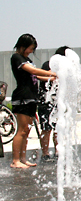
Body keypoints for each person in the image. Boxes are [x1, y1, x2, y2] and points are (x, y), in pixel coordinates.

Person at [10, 34, 56, 168]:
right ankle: (15, 160)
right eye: (30, 48)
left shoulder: (26, 58)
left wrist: (51, 79)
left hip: (31, 97)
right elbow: (33, 70)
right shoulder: (16, 58)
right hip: (22, 97)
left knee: (27, 130)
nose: (31, 51)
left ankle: (23, 159)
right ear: (22, 45)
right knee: (21, 130)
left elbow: (36, 75)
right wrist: (52, 73)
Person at [38, 46, 70, 162]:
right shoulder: (48, 65)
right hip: (46, 101)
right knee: (47, 128)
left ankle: (58, 150)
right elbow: (42, 77)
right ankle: (45, 153)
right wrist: (54, 77)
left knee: (58, 127)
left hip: (58, 101)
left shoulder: (64, 68)